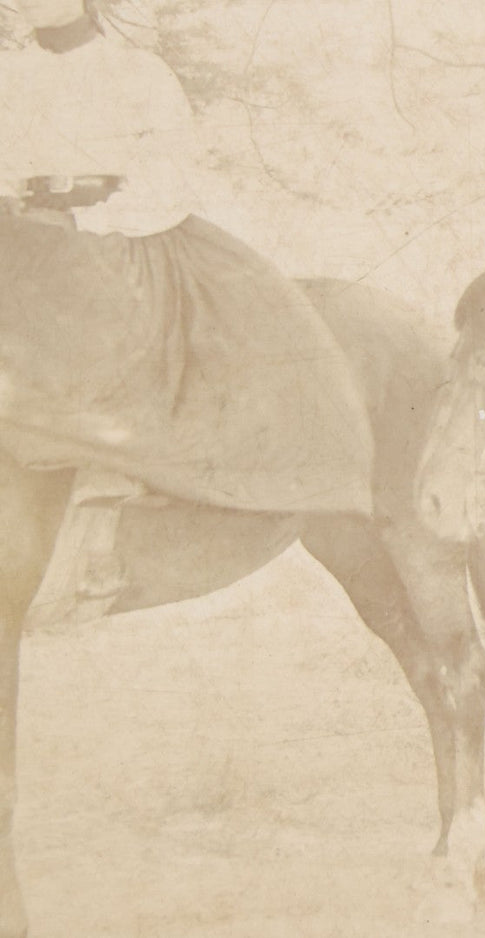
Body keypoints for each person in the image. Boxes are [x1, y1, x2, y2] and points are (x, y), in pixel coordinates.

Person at [0, 0, 375, 601]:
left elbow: (168, 178)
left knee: (80, 322)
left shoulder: (137, 74)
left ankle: (103, 492)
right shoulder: (9, 75)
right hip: (23, 240)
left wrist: (89, 221)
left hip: (114, 240)